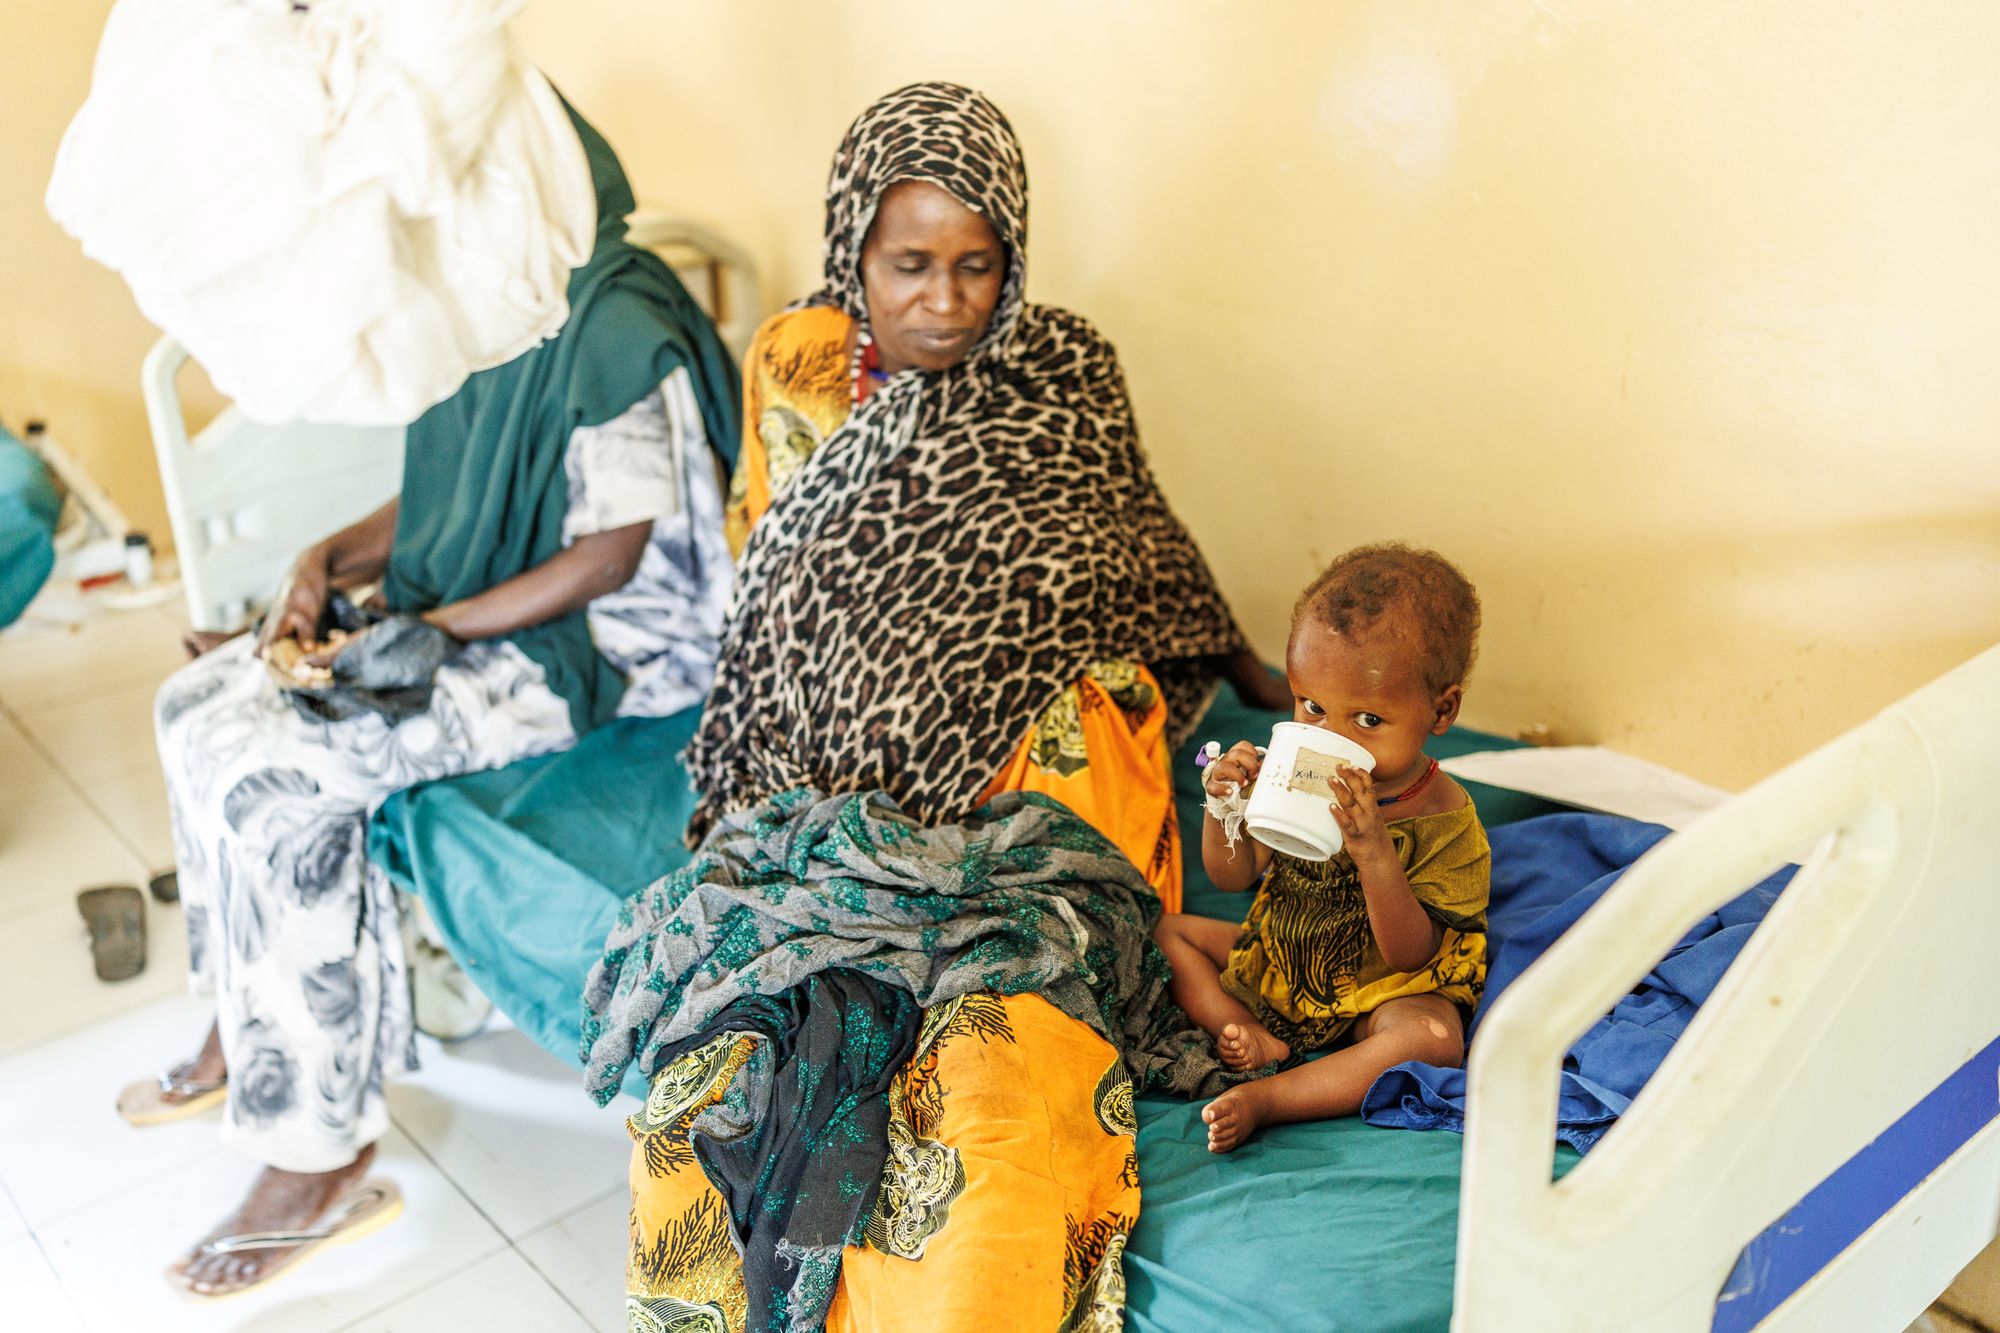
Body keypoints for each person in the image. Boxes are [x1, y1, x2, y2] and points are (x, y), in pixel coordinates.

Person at [618, 81, 1273, 1331]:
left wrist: (1249, 668)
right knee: (726, 1077)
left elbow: (1136, 546)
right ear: (850, 247)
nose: (946, 300)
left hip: (1048, 754)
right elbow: (773, 597)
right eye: (908, 263)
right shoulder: (796, 369)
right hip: (837, 766)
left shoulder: (1063, 366)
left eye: (979, 266)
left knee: (1002, 1045)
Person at [128, 107, 741, 1298]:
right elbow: (439, 492)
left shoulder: (614, 318)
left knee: (279, 778)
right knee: (194, 706)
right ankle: (244, 1025)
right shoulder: (495, 305)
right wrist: (326, 561)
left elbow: (610, 556)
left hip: (615, 652)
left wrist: (434, 629)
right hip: (502, 608)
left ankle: (318, 1146)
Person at [1153, 543, 1491, 1153]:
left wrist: (1374, 854)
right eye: (1311, 707)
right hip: (1287, 954)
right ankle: (1252, 1036)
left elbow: (1411, 953)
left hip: (1383, 984)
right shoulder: (1290, 769)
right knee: (1169, 931)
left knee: (1435, 1037)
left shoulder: (1447, 820)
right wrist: (1224, 809)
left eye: (1366, 721)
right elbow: (1233, 878)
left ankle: (1272, 1097)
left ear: (1442, 710)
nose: (1327, 738)